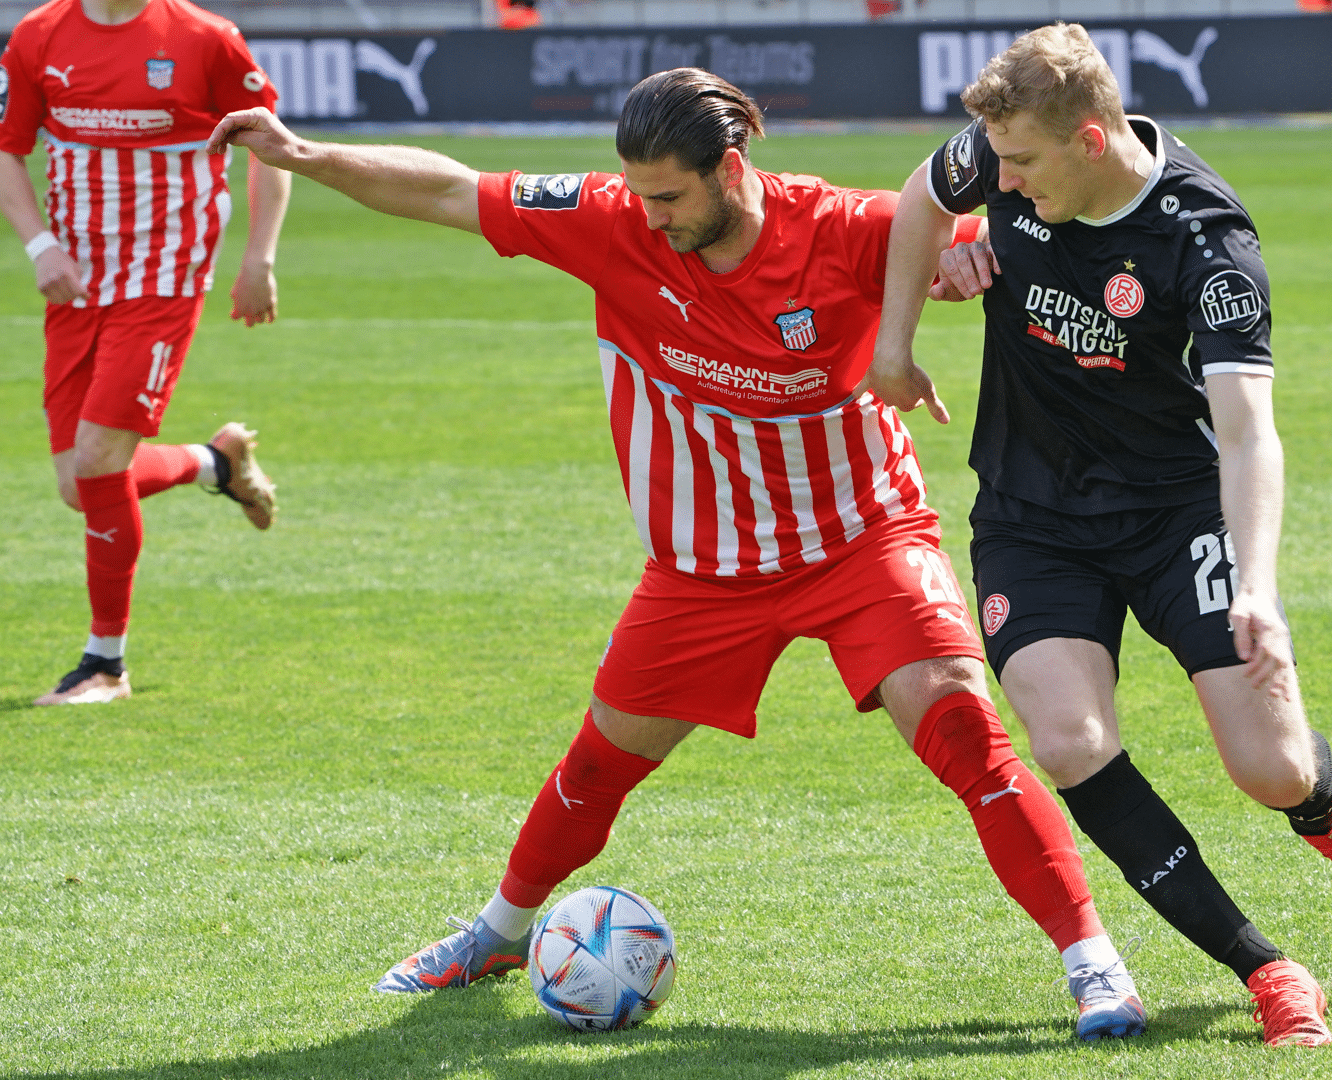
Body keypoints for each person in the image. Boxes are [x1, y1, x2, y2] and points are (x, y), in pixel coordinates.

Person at [207, 68, 1150, 1041]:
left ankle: (1095, 968)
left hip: (861, 541)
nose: (648, 216)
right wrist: (304, 155)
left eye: (668, 196)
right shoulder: (610, 216)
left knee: (965, 736)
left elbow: (1005, 231)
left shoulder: (841, 228)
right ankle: (496, 931)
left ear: (729, 169)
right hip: (702, 574)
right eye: (638, 193)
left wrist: (969, 257)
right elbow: (450, 188)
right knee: (599, 765)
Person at [869, 23, 1332, 1048]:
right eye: (996, 163)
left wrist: (1256, 588)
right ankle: (1266, 969)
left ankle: (1325, 816)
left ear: (1091, 140)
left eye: (1024, 164)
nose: (1000, 182)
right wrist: (896, 347)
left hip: (1175, 515)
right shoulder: (1007, 164)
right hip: (1032, 515)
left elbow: (1248, 431)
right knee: (1070, 739)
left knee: (1265, 766)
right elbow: (920, 197)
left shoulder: (1207, 243)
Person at [1, 0, 288, 707]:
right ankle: (215, 462)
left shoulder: (205, 39)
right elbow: (8, 147)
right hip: (73, 280)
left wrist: (260, 258)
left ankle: (105, 664)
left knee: (100, 462)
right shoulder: (39, 35)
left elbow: (271, 146)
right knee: (80, 485)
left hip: (163, 275)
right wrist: (39, 245)